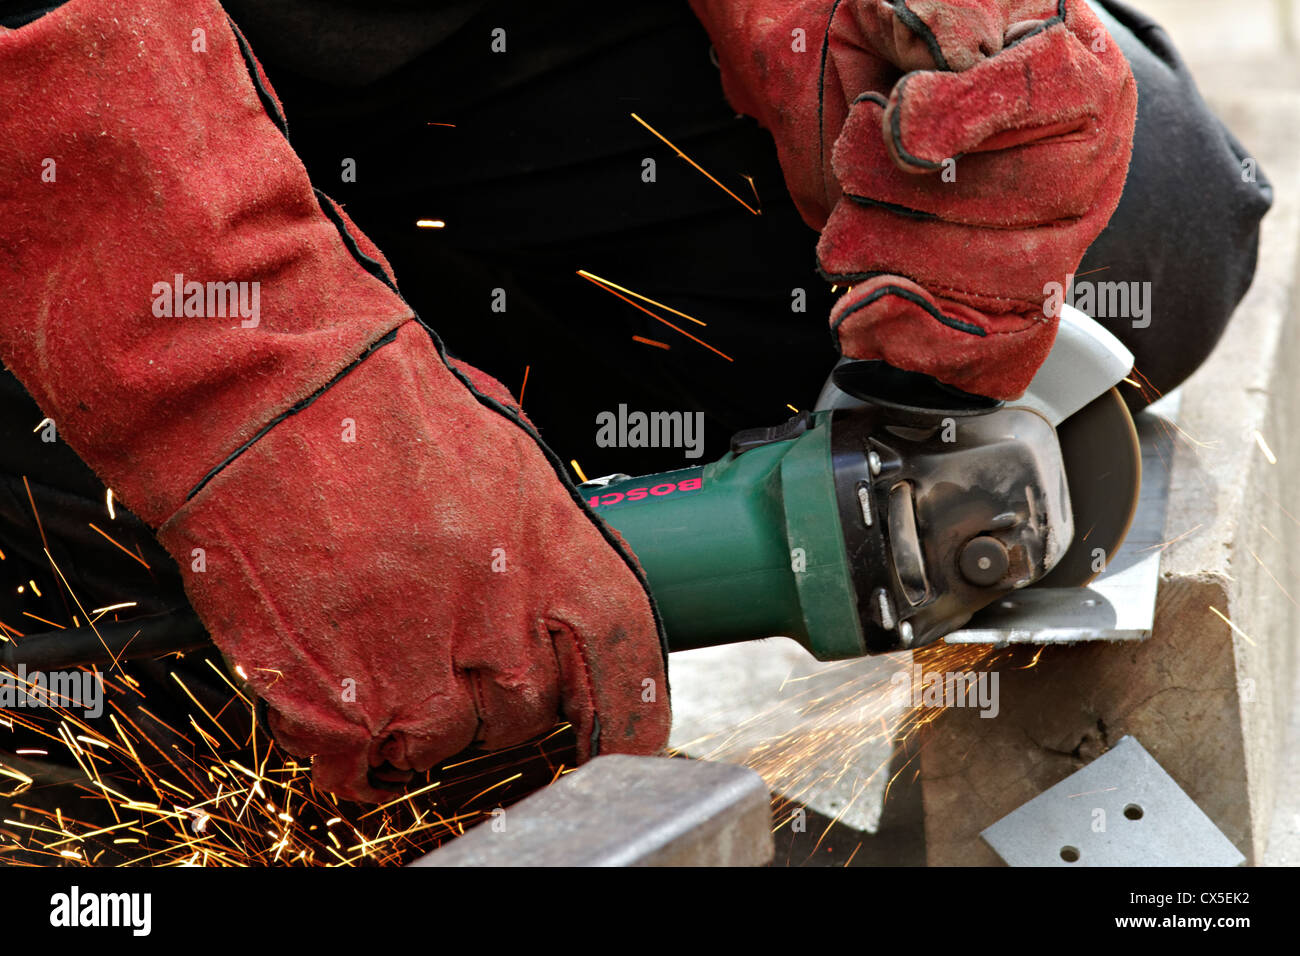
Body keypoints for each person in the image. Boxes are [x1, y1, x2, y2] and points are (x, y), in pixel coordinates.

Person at [0, 0, 1271, 803]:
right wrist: (252, 388)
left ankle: (454, 430)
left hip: (453, 57)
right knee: (155, 743)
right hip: (68, 133)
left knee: (1135, 234)